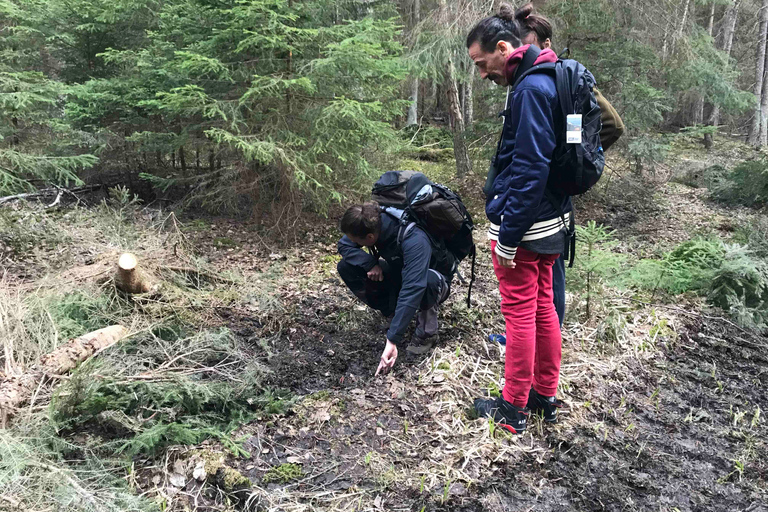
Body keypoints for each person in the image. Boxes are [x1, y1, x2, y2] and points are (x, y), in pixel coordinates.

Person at [485, 3, 624, 337]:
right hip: (533, 195)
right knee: (537, 283)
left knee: (550, 280)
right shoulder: (524, 80)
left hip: (548, 199)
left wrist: (569, 159)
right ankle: (532, 338)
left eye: (528, 45)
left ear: (541, 44)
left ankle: (547, 341)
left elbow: (611, 125)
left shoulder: (561, 79)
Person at [466, 4, 570, 434]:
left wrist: (508, 237)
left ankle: (512, 410)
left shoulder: (529, 91)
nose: (481, 73)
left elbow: (529, 169)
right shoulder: (552, 77)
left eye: (481, 62)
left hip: (526, 227)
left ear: (504, 48)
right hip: (553, 222)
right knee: (544, 307)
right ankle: (544, 397)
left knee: (521, 314)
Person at [336, 202, 450, 376]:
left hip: (433, 279)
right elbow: (343, 246)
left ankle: (426, 333)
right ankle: (392, 313)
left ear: (369, 237)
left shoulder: (414, 238)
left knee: (426, 282)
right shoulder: (371, 223)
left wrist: (392, 340)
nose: (352, 243)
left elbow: (414, 287)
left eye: (356, 241)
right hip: (401, 272)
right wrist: (370, 263)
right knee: (346, 266)